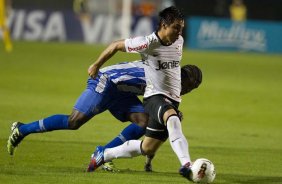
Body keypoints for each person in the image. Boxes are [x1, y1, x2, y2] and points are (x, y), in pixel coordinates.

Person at [7, 59, 201, 171]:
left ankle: (103, 154)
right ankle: (22, 129)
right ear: (182, 78)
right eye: (189, 87)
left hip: (123, 92)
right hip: (106, 81)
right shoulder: (165, 78)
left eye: (191, 90)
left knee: (144, 121)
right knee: (74, 122)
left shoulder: (172, 84)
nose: (186, 92)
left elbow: (155, 111)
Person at [86, 6, 196, 180]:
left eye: (181, 28)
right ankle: (187, 165)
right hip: (155, 97)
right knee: (173, 119)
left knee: (147, 147)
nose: (179, 32)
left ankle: (104, 154)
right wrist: (96, 65)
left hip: (173, 99)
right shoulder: (148, 43)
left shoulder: (179, 41)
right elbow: (115, 45)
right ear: (164, 25)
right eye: (176, 27)